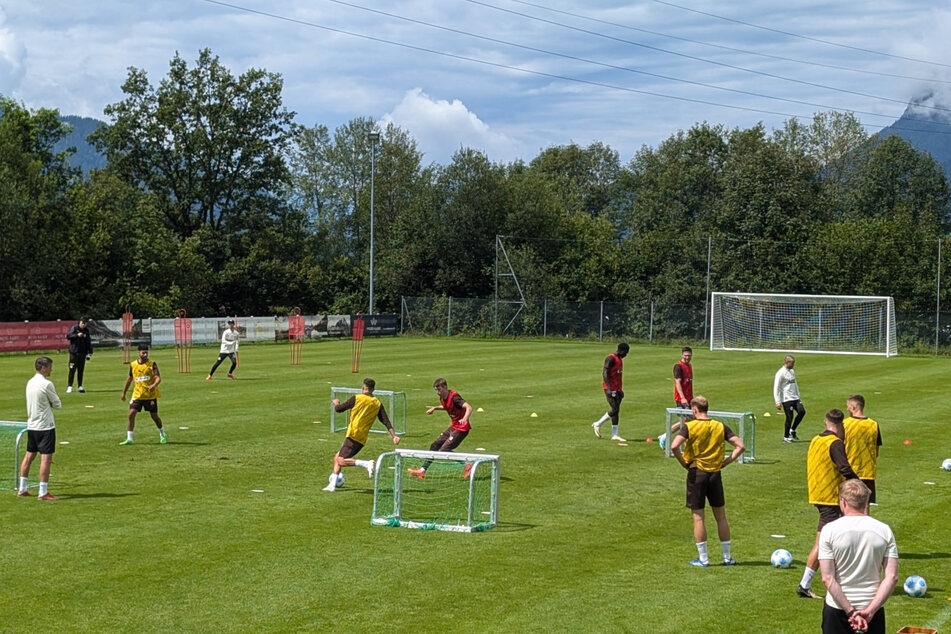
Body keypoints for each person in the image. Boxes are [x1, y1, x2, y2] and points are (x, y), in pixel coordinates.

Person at [670, 396, 745, 567]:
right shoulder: (719, 426)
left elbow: (674, 445)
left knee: (698, 518)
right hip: (715, 474)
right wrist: (725, 462)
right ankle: (727, 557)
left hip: (697, 474)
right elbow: (740, 446)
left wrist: (683, 463)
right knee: (721, 516)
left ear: (695, 410)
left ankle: (703, 558)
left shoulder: (690, 426)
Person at [818, 479, 899, 634]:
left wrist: (850, 611)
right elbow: (892, 577)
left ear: (843, 502)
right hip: (872, 610)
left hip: (837, 610)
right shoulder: (884, 530)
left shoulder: (829, 530)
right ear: (866, 501)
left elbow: (827, 578)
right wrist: (870, 611)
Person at [798, 409, 859, 599]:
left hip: (817, 493)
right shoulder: (835, 443)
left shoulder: (816, 439)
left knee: (832, 540)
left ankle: (809, 584)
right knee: (825, 542)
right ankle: (807, 584)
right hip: (830, 498)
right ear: (841, 426)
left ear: (826, 423)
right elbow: (844, 468)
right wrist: (860, 485)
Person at [324, 378, 400, 492]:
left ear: (363, 388)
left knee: (340, 460)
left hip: (353, 434)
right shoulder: (377, 403)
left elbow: (339, 409)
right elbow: (385, 420)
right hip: (361, 437)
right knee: (337, 457)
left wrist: (336, 403)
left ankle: (366, 463)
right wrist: (394, 435)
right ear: (373, 389)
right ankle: (332, 485)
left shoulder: (357, 398)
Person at [407, 378, 474, 480]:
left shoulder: (455, 397)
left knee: (444, 450)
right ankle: (422, 471)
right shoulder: (443, 399)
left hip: (461, 429)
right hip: (454, 427)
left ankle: (467, 465)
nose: (438, 392)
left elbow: (469, 407)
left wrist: (465, 418)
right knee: (435, 445)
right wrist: (434, 408)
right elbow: (446, 406)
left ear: (445, 387)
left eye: (439, 390)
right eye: (436, 390)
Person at [19, 356, 62, 500]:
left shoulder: (29, 382)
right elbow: (57, 404)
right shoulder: (47, 384)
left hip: (32, 425)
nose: (51, 370)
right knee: (46, 458)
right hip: (45, 426)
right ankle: (43, 491)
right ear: (43, 368)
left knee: (29, 455)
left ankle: (22, 488)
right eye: (49, 367)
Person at [119, 343, 167, 445]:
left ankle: (162, 433)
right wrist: (124, 392)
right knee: (131, 414)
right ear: (138, 352)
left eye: (146, 352)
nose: (145, 354)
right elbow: (130, 379)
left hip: (150, 396)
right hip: (137, 395)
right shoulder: (133, 365)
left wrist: (154, 385)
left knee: (154, 417)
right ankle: (129, 438)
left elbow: (158, 378)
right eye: (143, 352)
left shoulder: (152, 364)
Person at [843, 394, 882, 504]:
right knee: (866, 509)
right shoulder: (873, 424)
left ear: (853, 407)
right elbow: (877, 450)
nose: (847, 409)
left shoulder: (845, 424)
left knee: (849, 507)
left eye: (848, 406)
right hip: (868, 473)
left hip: (850, 473)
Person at [592, 342, 629, 442]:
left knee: (616, 411)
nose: (626, 355)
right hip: (610, 388)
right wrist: (608, 388)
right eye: (625, 353)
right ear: (621, 350)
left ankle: (614, 434)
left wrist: (620, 390)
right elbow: (605, 373)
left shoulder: (620, 360)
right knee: (615, 409)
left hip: (617, 389)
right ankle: (598, 423)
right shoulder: (611, 358)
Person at [660, 346, 693, 450]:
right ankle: (666, 436)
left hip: (689, 398)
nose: (687, 357)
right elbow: (677, 383)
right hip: (681, 399)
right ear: (682, 355)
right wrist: (682, 398)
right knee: (686, 420)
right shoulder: (678, 367)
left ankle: (667, 436)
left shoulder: (689, 366)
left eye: (689, 356)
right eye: (685, 356)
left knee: (688, 421)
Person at [774, 355, 806, 442]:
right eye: (792, 363)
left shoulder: (791, 371)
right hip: (787, 399)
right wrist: (777, 401)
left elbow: (794, 384)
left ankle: (792, 429)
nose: (793, 365)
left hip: (795, 398)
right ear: (787, 363)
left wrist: (798, 396)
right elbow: (776, 387)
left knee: (802, 411)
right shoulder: (780, 373)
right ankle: (786, 436)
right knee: (789, 417)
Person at [65, 316, 94, 393]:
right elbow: (68, 336)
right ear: (79, 323)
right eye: (82, 323)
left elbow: (88, 342)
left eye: (85, 323)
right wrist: (77, 335)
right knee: (72, 370)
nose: (83, 325)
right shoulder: (74, 328)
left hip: (82, 353)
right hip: (74, 353)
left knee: (81, 370)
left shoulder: (86, 331)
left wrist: (90, 352)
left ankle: (80, 386)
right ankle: (70, 386)